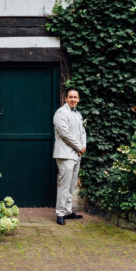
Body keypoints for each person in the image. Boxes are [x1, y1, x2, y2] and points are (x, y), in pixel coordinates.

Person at [52, 88, 87, 226]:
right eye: (70, 97)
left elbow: (82, 132)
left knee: (71, 184)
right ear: (65, 98)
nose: (73, 99)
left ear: (78, 99)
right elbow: (65, 134)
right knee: (64, 184)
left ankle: (67, 210)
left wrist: (83, 147)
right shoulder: (60, 113)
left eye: (75, 97)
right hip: (65, 154)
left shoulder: (78, 114)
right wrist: (79, 147)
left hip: (76, 154)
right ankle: (60, 213)